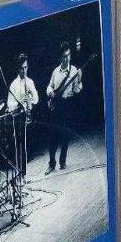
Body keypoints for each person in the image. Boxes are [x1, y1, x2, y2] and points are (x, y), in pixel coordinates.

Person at [45, 41, 82, 173]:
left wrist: (79, 80)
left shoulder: (74, 70)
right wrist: (51, 92)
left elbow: (76, 90)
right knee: (53, 136)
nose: (67, 58)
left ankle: (62, 162)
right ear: (60, 57)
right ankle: (51, 164)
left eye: (69, 55)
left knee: (66, 135)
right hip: (56, 106)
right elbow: (49, 86)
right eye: (64, 56)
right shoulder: (56, 71)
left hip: (67, 105)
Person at [6, 54, 38, 177]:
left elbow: (36, 98)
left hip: (27, 116)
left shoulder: (30, 82)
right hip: (18, 117)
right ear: (17, 69)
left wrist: (30, 100)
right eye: (21, 68)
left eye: (25, 67)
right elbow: (9, 104)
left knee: (24, 146)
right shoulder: (13, 85)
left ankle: (23, 174)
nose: (24, 71)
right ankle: (19, 173)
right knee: (18, 146)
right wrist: (20, 103)